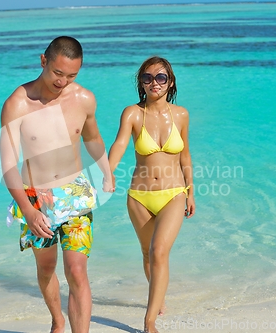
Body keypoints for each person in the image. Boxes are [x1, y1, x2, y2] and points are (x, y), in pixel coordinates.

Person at [0, 36, 113, 333]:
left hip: (75, 194)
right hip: (35, 199)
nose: (63, 82)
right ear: (43, 61)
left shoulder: (84, 99)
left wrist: (107, 171)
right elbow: (8, 165)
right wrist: (27, 209)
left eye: (72, 75)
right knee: (46, 268)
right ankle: (57, 319)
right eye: (57, 73)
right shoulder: (17, 103)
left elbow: (91, 137)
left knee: (77, 271)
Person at [108, 56, 195, 333]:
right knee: (147, 254)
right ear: (141, 83)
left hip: (173, 194)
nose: (154, 83)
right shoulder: (132, 113)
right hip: (139, 197)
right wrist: (108, 171)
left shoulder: (181, 114)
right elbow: (120, 144)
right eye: (147, 78)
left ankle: (149, 322)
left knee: (159, 252)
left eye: (160, 77)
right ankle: (159, 297)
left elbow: (185, 155)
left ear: (170, 82)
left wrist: (191, 192)